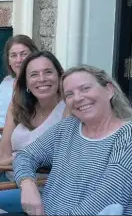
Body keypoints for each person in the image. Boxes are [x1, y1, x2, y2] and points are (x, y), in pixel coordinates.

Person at [14, 65, 132, 215]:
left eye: (85, 89)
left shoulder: (127, 136)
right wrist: (27, 182)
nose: (78, 98)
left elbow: (106, 199)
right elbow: (25, 155)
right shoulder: (68, 127)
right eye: (69, 94)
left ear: (109, 90)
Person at [0, 51, 67, 213]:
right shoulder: (21, 106)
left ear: (60, 76)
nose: (42, 79)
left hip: (39, 188)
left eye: (48, 72)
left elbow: (59, 160)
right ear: (26, 83)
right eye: (34, 75)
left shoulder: (68, 109)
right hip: (8, 177)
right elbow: (4, 149)